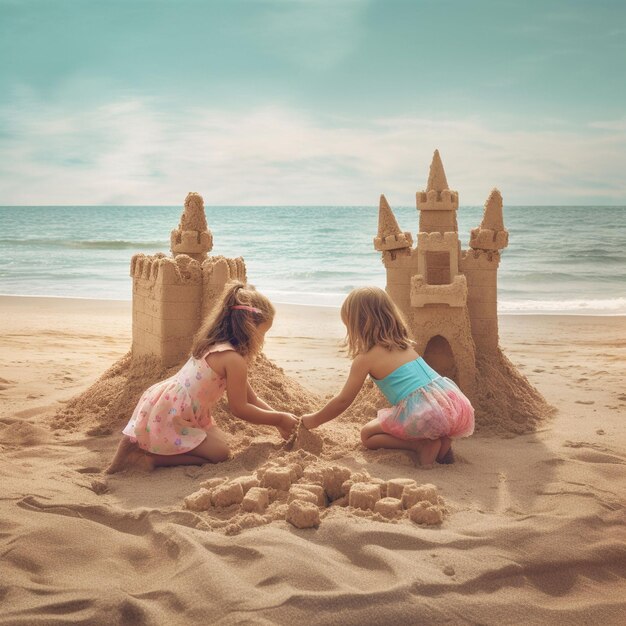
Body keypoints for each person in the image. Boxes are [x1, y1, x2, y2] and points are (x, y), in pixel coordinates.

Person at [106, 281, 298, 473]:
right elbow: (239, 408)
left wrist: (278, 422)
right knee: (220, 454)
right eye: (262, 333)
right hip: (173, 412)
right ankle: (151, 458)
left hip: (172, 403)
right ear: (248, 327)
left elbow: (251, 398)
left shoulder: (214, 345)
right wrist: (279, 419)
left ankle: (153, 448)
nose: (262, 340)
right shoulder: (233, 360)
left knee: (219, 443)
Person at [301, 287, 474, 465]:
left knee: (367, 434)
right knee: (431, 420)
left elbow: (343, 400)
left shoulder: (365, 359)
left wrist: (314, 420)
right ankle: (442, 442)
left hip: (422, 410)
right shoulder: (405, 346)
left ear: (358, 325)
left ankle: (421, 446)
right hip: (451, 402)